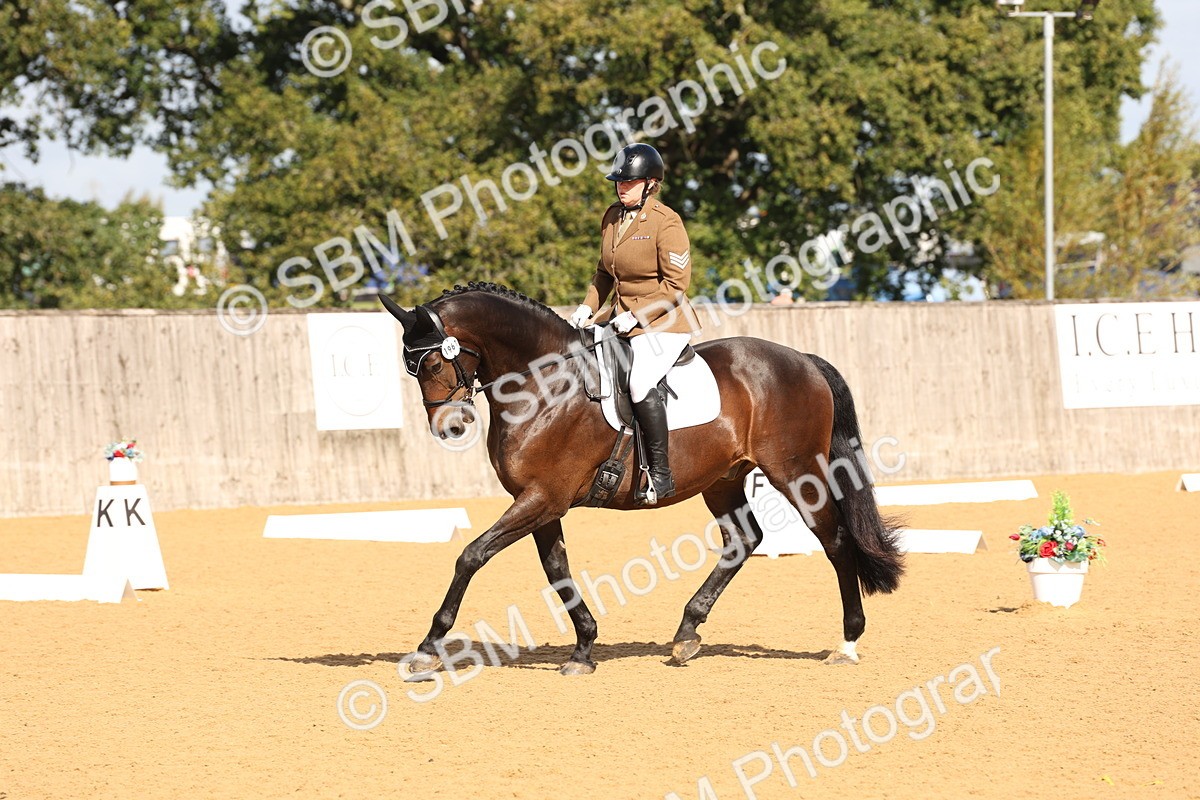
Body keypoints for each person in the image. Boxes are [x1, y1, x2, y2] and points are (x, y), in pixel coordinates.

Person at [568, 143, 701, 505]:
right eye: (619, 181)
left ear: (650, 184)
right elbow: (603, 273)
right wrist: (586, 307)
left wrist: (637, 314)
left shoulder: (666, 221)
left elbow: (676, 285)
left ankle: (660, 473)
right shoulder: (612, 216)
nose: (622, 187)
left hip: (663, 323)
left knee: (640, 382)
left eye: (630, 182)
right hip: (617, 318)